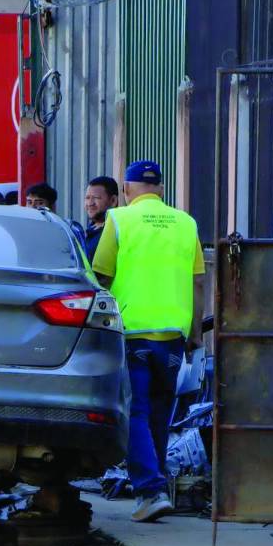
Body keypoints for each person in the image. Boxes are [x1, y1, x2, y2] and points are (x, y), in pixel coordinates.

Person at [92, 160, 205, 523]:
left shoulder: (119, 220)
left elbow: (100, 277)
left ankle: (150, 490)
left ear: (126, 190)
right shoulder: (186, 223)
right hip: (173, 337)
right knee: (159, 414)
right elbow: (198, 282)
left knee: (134, 412)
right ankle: (157, 488)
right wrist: (196, 333)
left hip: (133, 335)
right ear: (161, 189)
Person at [82, 176, 119, 261]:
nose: (90, 203)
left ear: (113, 201)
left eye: (96, 198)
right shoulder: (88, 232)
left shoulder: (116, 232)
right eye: (87, 198)